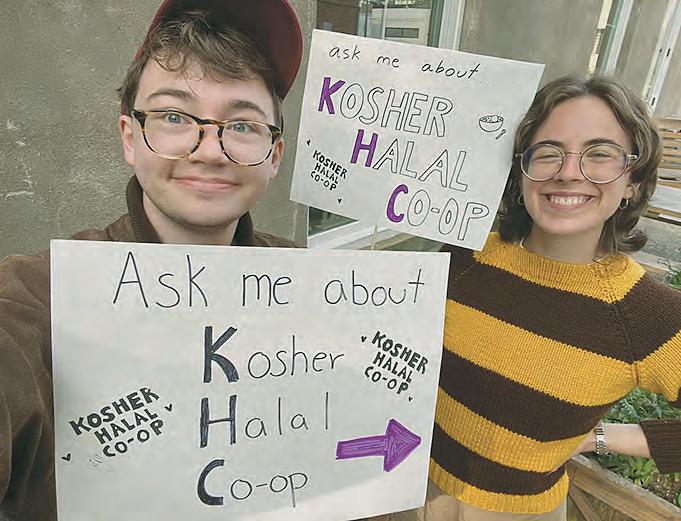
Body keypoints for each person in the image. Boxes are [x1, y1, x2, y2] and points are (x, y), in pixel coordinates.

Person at [0, 1, 302, 519]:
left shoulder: (313, 285)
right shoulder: (35, 297)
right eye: (173, 117)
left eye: (243, 124)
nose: (209, 150)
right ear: (130, 138)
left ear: (273, 155)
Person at [372, 75, 681, 520]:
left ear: (632, 180)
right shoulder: (465, 257)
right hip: (402, 493)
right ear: (522, 171)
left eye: (599, 154)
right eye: (549, 151)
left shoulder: (647, 316)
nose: (568, 172)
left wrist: (604, 438)